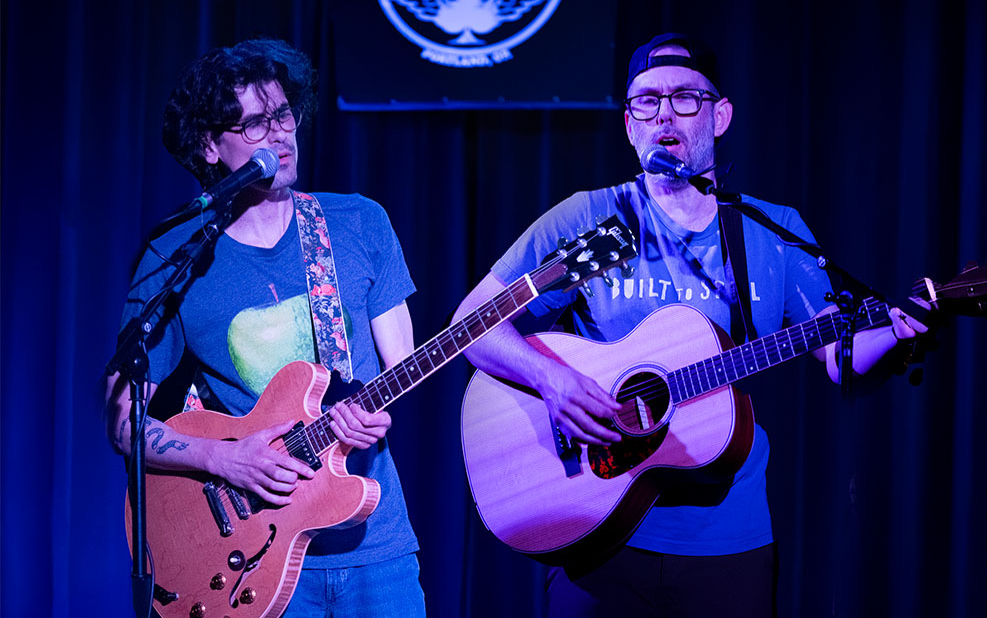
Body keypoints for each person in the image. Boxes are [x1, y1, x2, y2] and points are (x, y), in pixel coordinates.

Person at [453, 33, 926, 617]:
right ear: (629, 125)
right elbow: (472, 323)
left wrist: (900, 330)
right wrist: (554, 382)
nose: (664, 115)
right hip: (597, 530)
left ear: (720, 116)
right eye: (646, 101)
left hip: (730, 543)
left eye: (684, 98)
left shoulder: (771, 231)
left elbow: (840, 355)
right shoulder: (589, 218)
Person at [105, 39, 426, 617]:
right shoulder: (175, 256)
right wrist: (223, 459)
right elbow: (125, 423)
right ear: (210, 145)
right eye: (256, 123)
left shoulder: (358, 222)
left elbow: (402, 371)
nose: (280, 134)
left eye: (284, 114)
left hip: (374, 545)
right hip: (250, 560)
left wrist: (374, 415)